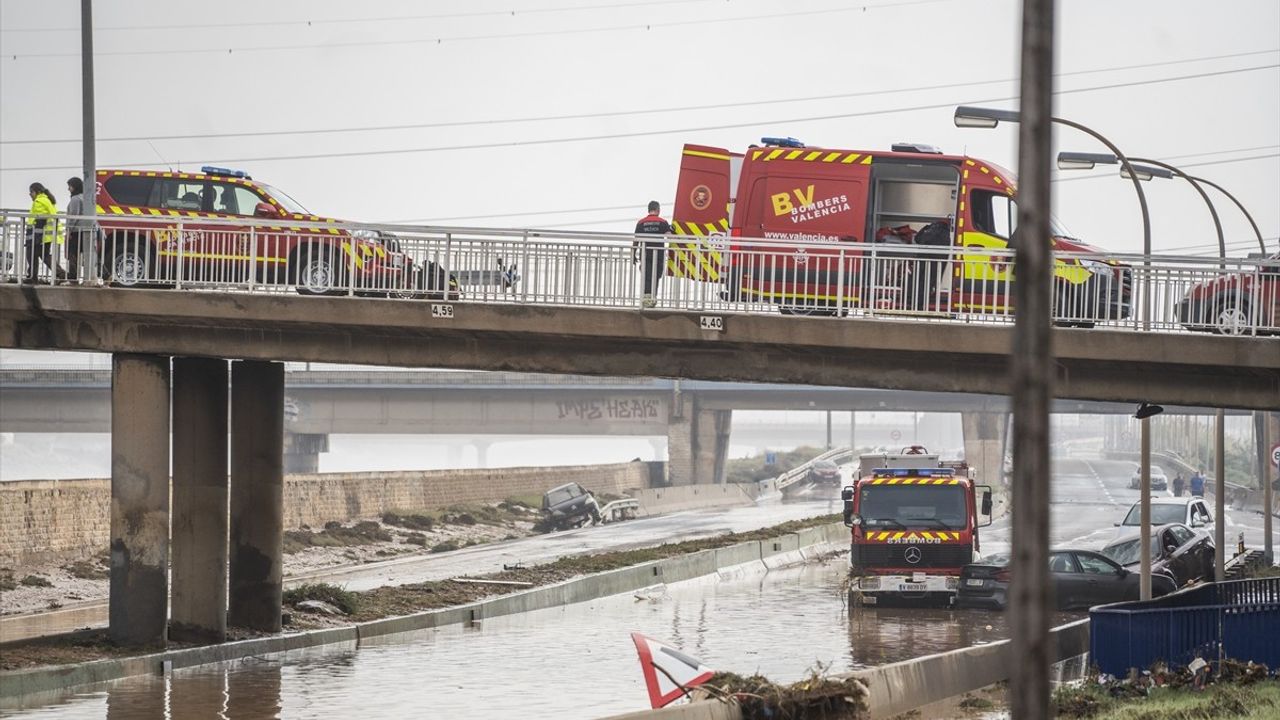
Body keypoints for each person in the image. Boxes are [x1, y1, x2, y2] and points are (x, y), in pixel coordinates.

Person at [633, 200, 671, 308]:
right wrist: (672, 230)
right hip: (658, 255)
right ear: (658, 210)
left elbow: (636, 240)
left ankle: (647, 300)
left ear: (648, 210)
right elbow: (669, 236)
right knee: (656, 276)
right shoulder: (663, 222)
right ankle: (652, 298)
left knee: (647, 276)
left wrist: (633, 254)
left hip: (645, 254)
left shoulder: (641, 222)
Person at [24, 182, 65, 283]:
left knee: (31, 254)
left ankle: (32, 277)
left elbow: (39, 220)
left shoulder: (39, 201)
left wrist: (35, 237)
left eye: (31, 192)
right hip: (46, 235)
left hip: (39, 235)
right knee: (44, 255)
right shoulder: (48, 200)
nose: (30, 194)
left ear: (37, 192)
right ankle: (60, 273)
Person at [65, 177, 93, 282]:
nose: (68, 189)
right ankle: (105, 273)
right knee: (89, 254)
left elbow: (73, 215)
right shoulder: (85, 198)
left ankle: (73, 278)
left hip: (76, 231)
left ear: (74, 187)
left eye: (70, 186)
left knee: (73, 254)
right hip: (85, 231)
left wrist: (69, 230)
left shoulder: (75, 199)